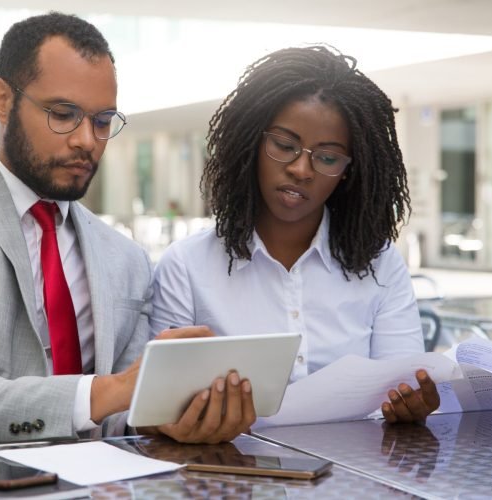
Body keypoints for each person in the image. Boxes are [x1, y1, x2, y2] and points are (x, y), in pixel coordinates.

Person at [0, 12, 252, 454]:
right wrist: (111, 391)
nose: (87, 140)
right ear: (2, 100)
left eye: (102, 121)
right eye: (64, 114)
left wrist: (169, 419)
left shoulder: (126, 258)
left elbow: (118, 414)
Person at [151, 45, 439, 424]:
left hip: (354, 472)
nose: (301, 169)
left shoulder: (380, 265)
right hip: (232, 474)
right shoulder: (186, 266)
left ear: (349, 170)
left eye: (328, 157)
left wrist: (411, 406)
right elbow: (161, 410)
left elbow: (400, 382)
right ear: (251, 144)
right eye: (284, 146)